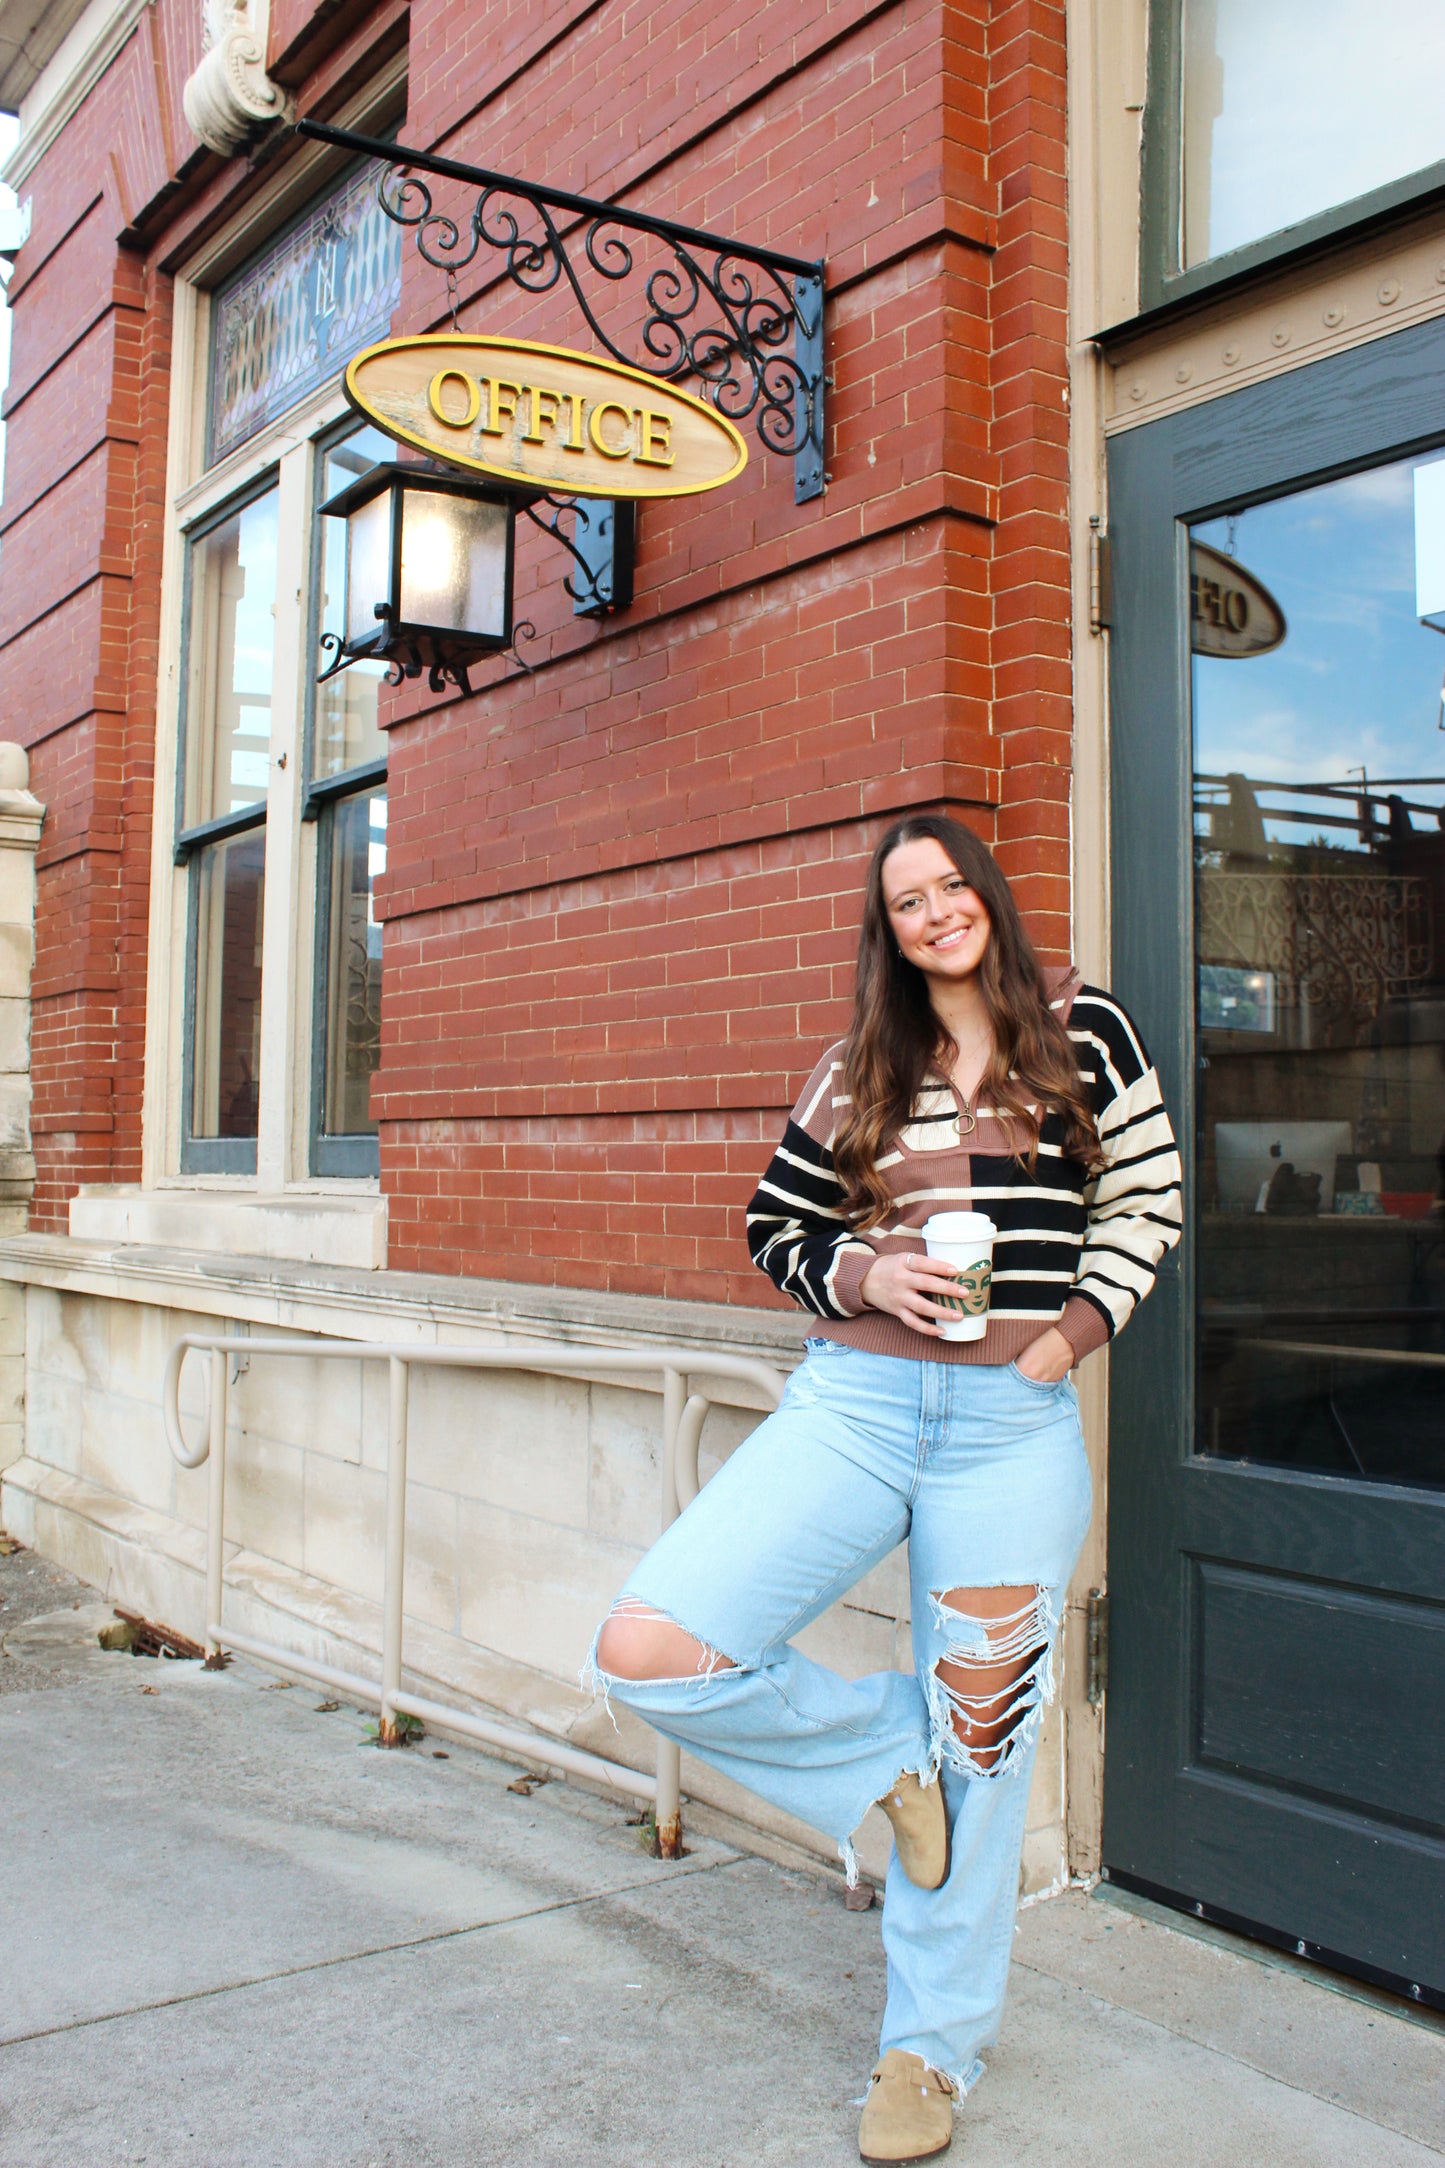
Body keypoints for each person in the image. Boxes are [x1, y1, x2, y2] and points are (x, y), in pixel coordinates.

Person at [585, 813, 1182, 2163]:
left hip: (1006, 1425)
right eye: (903, 901)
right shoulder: (857, 1065)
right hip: (852, 1406)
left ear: (986, 894)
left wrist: (1060, 1343)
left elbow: (1145, 1201)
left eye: (948, 885)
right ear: (889, 930)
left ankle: (926, 2053)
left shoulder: (1086, 1033)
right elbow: (773, 1227)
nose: (931, 912)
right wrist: (865, 1274)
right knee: (651, 1648)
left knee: (987, 1745)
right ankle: (876, 1762)